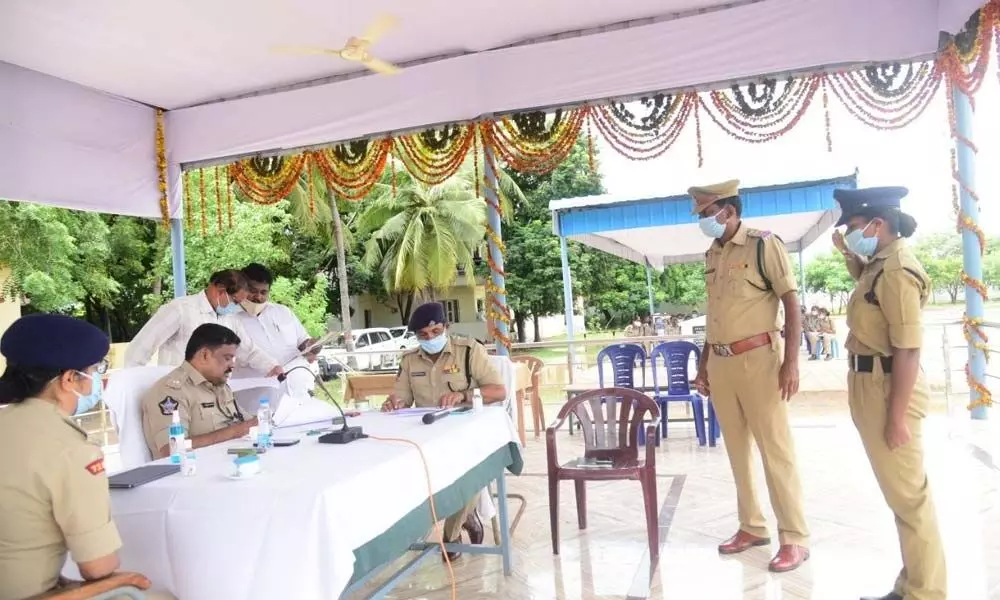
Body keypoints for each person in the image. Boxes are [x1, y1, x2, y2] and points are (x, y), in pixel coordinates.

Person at [688, 179, 809, 572]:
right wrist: (704, 364)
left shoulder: (762, 244)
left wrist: (791, 362)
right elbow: (715, 314)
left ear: (730, 210)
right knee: (737, 452)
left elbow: (792, 303)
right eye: (701, 215)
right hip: (721, 363)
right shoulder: (712, 252)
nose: (704, 221)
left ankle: (794, 537)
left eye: (708, 214)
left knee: (776, 451)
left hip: (759, 359)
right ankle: (752, 526)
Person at [832, 187, 944, 600]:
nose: (852, 233)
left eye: (856, 227)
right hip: (872, 383)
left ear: (878, 225)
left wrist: (896, 418)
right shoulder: (879, 264)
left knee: (911, 500)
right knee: (901, 497)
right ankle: (910, 585)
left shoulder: (897, 269)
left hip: (888, 387)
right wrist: (849, 255)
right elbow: (868, 291)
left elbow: (909, 349)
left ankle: (926, 593)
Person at [0, 315, 156, 599]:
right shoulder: (71, 450)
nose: (95, 380)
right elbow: (98, 567)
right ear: (70, 378)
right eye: (94, 370)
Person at [381, 302, 507, 560]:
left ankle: (450, 536)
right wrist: (394, 403)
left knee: (470, 472)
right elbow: (402, 398)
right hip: (428, 436)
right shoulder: (409, 360)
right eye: (423, 336)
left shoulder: (469, 351)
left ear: (446, 328)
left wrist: (463, 394)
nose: (430, 339)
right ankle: (422, 529)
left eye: (436, 332)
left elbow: (498, 391)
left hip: (465, 433)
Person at [124, 269, 283, 378]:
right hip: (178, 391)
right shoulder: (180, 309)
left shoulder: (230, 319)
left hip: (213, 394)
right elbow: (140, 348)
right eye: (235, 301)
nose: (236, 307)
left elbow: (248, 351)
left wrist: (272, 367)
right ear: (220, 290)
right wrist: (134, 386)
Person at [141, 323, 257, 459]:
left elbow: (246, 423)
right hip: (192, 472)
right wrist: (234, 432)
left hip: (231, 461)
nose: (232, 365)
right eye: (227, 358)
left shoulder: (220, 386)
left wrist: (261, 420)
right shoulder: (171, 392)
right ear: (205, 355)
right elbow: (171, 449)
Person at [233, 263, 319, 406]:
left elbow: (302, 342)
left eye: (263, 292)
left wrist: (312, 346)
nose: (258, 297)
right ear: (241, 288)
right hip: (258, 401)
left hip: (298, 394)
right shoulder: (230, 319)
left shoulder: (283, 312)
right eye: (253, 291)